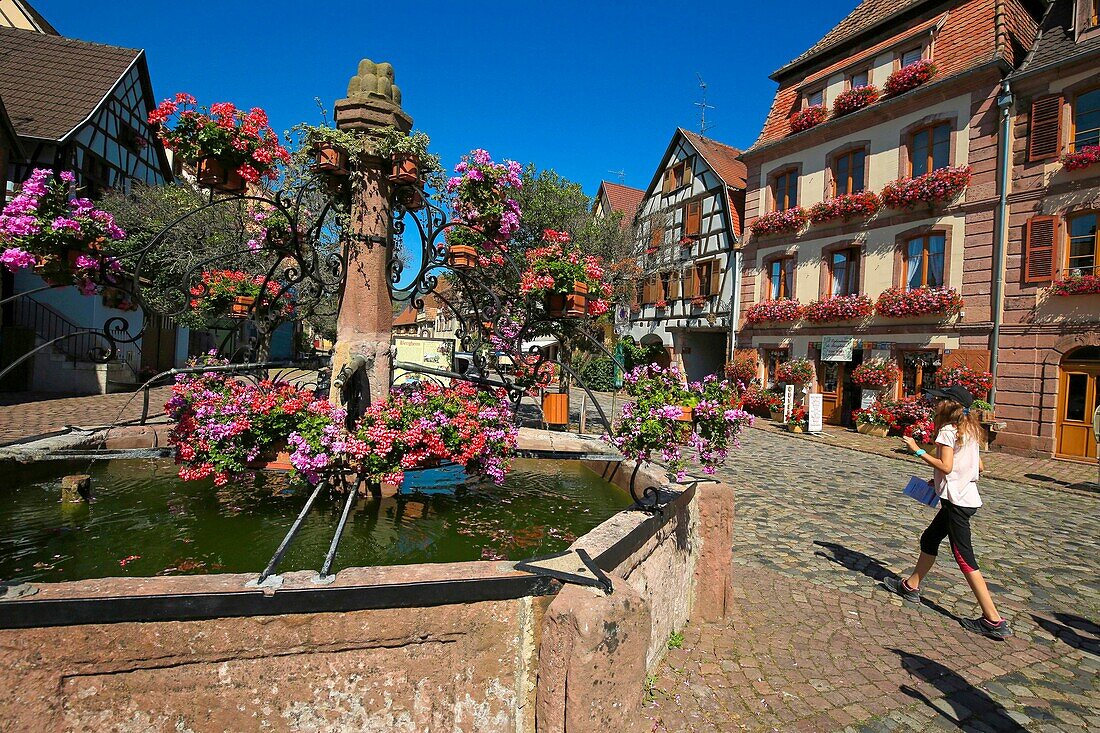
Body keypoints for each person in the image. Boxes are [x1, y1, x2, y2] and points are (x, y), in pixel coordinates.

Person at [883, 384, 1012, 640]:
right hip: (963, 498)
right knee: (930, 539)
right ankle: (911, 586)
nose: (935, 403)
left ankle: (993, 619)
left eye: (939, 400)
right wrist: (940, 482)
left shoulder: (947, 432)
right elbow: (980, 467)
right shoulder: (970, 430)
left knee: (965, 558)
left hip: (957, 503)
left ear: (948, 405)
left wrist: (917, 450)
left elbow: (947, 466)